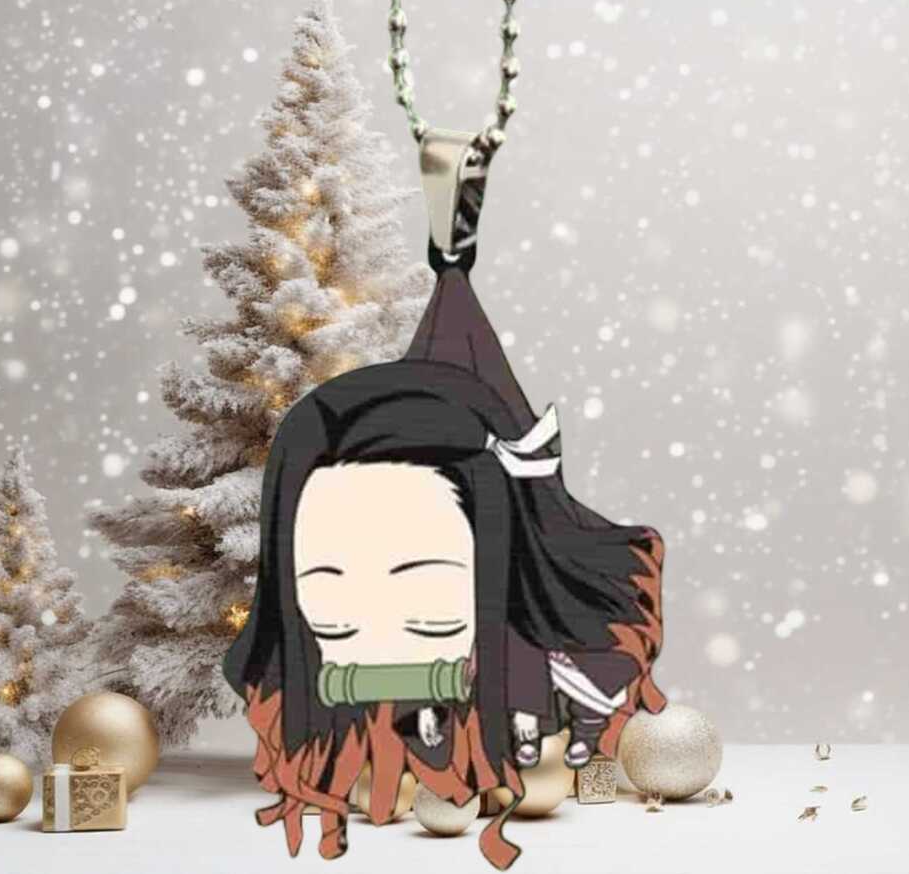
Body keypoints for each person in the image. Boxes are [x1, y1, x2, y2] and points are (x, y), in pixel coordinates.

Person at [222, 263, 667, 869]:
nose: (374, 631)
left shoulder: (555, 674)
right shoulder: (297, 701)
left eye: (422, 591)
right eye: (329, 592)